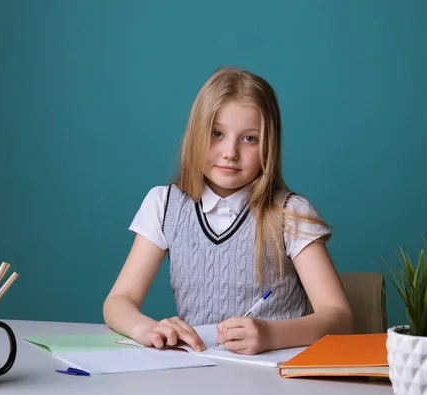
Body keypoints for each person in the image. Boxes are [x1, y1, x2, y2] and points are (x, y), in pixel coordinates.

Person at [103, 66, 353, 355]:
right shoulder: (164, 205)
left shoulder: (289, 213)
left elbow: (340, 318)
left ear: (269, 145)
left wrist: (271, 334)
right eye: (217, 133)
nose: (230, 152)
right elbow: (118, 301)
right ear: (195, 135)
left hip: (274, 376)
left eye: (250, 139)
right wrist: (144, 328)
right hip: (199, 371)